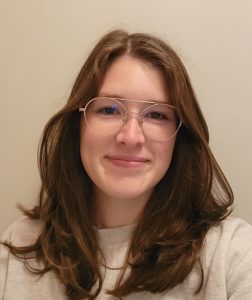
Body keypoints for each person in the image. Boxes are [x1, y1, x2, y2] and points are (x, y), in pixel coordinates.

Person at [0, 29, 252, 300]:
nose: (130, 137)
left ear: (180, 138)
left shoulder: (231, 255)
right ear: (78, 127)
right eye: (108, 109)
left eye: (157, 115)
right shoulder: (21, 243)